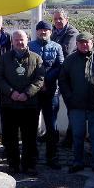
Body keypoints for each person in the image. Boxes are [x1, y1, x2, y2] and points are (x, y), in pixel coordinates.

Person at [0, 30, 45, 176]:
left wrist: (27, 93)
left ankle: (30, 164)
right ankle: (13, 164)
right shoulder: (3, 58)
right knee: (10, 137)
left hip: (29, 105)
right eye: (16, 40)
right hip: (9, 105)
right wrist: (12, 93)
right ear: (12, 42)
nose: (19, 42)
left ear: (27, 40)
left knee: (30, 137)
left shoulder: (36, 58)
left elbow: (40, 78)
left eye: (22, 39)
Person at [59, 32, 94, 174]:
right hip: (76, 105)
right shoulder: (70, 60)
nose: (85, 44)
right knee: (77, 135)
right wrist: (69, 99)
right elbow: (63, 81)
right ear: (77, 44)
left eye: (87, 42)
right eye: (81, 42)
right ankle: (77, 161)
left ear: (92, 43)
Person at [28, 20, 64, 169]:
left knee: (52, 127)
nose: (43, 32)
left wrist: (46, 81)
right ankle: (32, 156)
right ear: (36, 32)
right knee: (30, 126)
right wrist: (38, 83)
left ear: (51, 32)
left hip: (51, 92)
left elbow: (60, 67)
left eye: (46, 30)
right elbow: (26, 67)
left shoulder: (57, 47)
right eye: (40, 30)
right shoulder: (29, 46)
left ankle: (52, 156)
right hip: (33, 93)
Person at [52, 8, 79, 147]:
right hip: (56, 75)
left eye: (60, 19)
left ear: (66, 19)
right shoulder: (52, 31)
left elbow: (66, 52)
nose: (57, 21)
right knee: (52, 107)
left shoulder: (72, 33)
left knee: (71, 107)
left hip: (70, 76)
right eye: (55, 19)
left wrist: (50, 52)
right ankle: (52, 134)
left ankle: (71, 137)